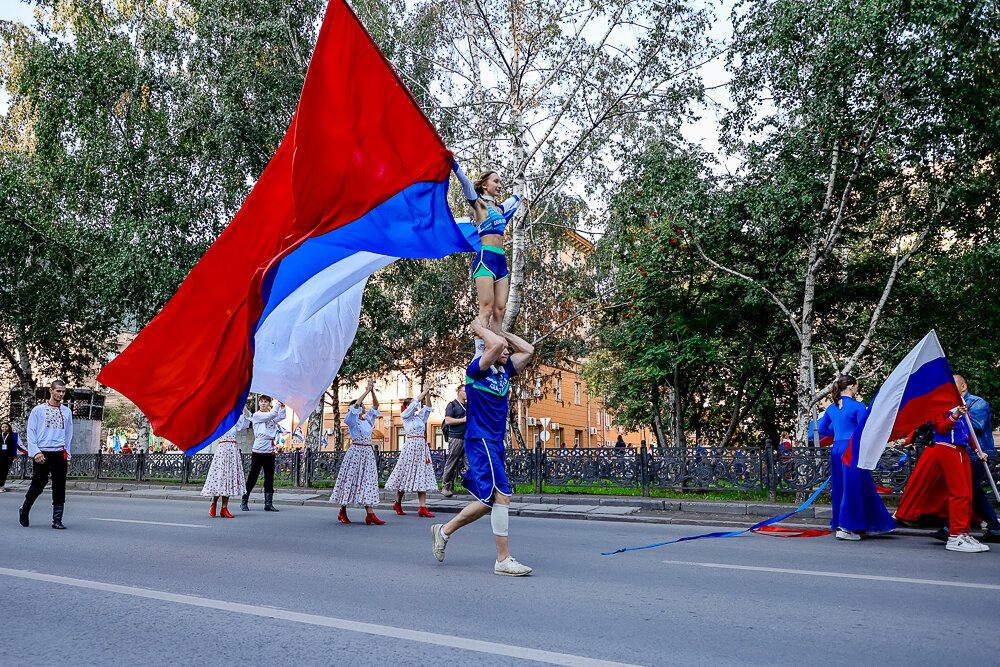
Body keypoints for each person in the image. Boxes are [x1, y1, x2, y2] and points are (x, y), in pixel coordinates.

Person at [430, 319, 535, 576]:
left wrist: (503, 333)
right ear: (488, 350)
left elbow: (529, 350)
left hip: (495, 442)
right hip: (481, 440)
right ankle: (503, 559)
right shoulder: (476, 371)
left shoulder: (506, 371)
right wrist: (480, 328)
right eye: (502, 349)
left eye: (506, 349)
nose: (507, 350)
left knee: (488, 501)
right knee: (504, 495)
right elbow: (496, 344)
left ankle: (443, 531)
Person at [817, 374, 895, 540]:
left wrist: (838, 433)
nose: (857, 388)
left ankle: (853, 523)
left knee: (842, 487)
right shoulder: (859, 406)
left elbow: (822, 429)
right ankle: (846, 528)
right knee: (853, 487)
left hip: (837, 448)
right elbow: (863, 431)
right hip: (851, 449)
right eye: (857, 385)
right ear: (851, 386)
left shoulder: (831, 408)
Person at [451, 159, 522, 335]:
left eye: (500, 182)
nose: (499, 185)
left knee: (500, 310)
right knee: (487, 309)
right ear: (484, 185)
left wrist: (520, 195)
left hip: (500, 260)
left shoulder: (499, 210)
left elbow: (514, 200)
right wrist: (453, 164)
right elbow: (465, 184)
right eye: (495, 181)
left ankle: (496, 359)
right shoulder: (480, 205)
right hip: (486, 259)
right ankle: (480, 354)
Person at [329, 380, 385, 525]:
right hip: (355, 453)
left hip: (367, 453)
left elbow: (376, 406)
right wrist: (365, 391)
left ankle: (370, 514)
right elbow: (355, 406)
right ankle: (342, 511)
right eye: (360, 406)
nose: (363, 408)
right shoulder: (352, 420)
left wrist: (372, 390)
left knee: (368, 481)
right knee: (350, 481)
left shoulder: (367, 421)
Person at [19, 380, 72, 529]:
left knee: (59, 486)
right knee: (38, 484)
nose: (61, 394)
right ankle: (25, 509)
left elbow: (68, 435)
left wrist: (68, 455)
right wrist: (35, 452)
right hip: (42, 452)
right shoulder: (38, 410)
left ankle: (57, 520)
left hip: (59, 452)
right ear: (51, 391)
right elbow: (31, 432)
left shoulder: (67, 412)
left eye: (63, 392)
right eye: (58, 391)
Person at [958, 375, 1000, 543]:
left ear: (963, 387)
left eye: (953, 386)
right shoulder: (955, 406)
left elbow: (977, 425)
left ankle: (949, 528)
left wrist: (955, 417)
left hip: (978, 455)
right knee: (973, 493)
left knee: (967, 492)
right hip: (965, 453)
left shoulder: (978, 403)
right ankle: (995, 528)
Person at [385, 386, 438, 516]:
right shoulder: (405, 417)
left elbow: (428, 408)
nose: (416, 406)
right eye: (412, 404)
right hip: (410, 448)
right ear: (407, 406)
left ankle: (422, 507)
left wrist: (428, 394)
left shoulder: (419, 418)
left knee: (421, 474)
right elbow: (415, 402)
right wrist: (423, 392)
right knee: (405, 475)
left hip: (421, 448)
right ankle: (398, 502)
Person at [201, 408, 252, 517]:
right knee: (220, 478)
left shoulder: (234, 419)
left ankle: (224, 508)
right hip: (222, 450)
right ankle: (213, 504)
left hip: (232, 450)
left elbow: (246, 421)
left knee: (229, 478)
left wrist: (243, 406)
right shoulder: (219, 419)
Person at [241, 396, 286, 512]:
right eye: (261, 401)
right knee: (253, 476)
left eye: (266, 402)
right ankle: (244, 500)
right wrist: (278, 403)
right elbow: (271, 415)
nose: (263, 404)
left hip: (270, 449)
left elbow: (281, 416)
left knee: (269, 477)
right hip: (259, 449)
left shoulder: (271, 416)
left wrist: (283, 405)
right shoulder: (257, 415)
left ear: (269, 404)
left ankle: (268, 503)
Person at [441, 385, 468, 497]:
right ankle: (445, 487)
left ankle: (475, 487)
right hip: (456, 437)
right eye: (465, 391)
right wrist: (463, 420)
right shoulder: (452, 405)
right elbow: (448, 420)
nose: (467, 393)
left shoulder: (468, 406)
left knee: (470, 463)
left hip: (467, 438)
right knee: (452, 462)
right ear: (459, 392)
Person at [1, 421, 19, 492]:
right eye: (3, 427)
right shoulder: (0, 435)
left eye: (6, 427)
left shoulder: (14, 436)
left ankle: (1, 485)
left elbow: (19, 445)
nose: (4, 428)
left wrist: (28, 451)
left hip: (8, 457)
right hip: (0, 456)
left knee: (4, 471)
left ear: (9, 427)